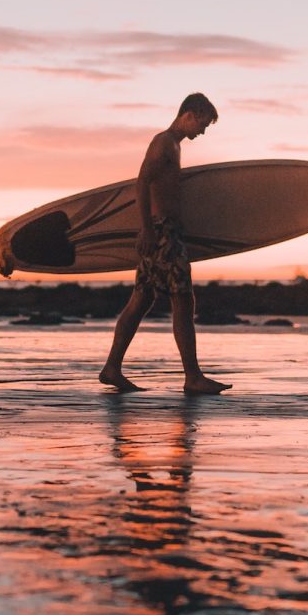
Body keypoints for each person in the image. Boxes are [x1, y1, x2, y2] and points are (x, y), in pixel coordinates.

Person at [99, 93, 232, 394]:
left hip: (164, 231)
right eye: (203, 124)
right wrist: (147, 229)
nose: (203, 131)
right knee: (183, 299)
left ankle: (112, 368)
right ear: (190, 114)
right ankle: (193, 377)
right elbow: (142, 182)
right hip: (162, 234)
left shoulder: (172, 145)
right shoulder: (164, 143)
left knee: (142, 300)